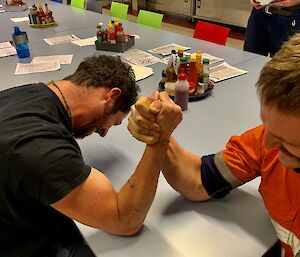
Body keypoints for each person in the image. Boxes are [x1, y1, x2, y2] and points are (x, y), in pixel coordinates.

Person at [128, 33, 300, 257]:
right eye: (268, 127)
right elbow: (198, 180)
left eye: (287, 142)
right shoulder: (266, 140)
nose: (268, 144)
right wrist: (158, 131)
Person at [0, 54, 182, 257]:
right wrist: (160, 138)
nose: (103, 133)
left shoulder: (26, 93)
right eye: (113, 123)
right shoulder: (39, 148)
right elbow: (125, 220)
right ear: (111, 96)